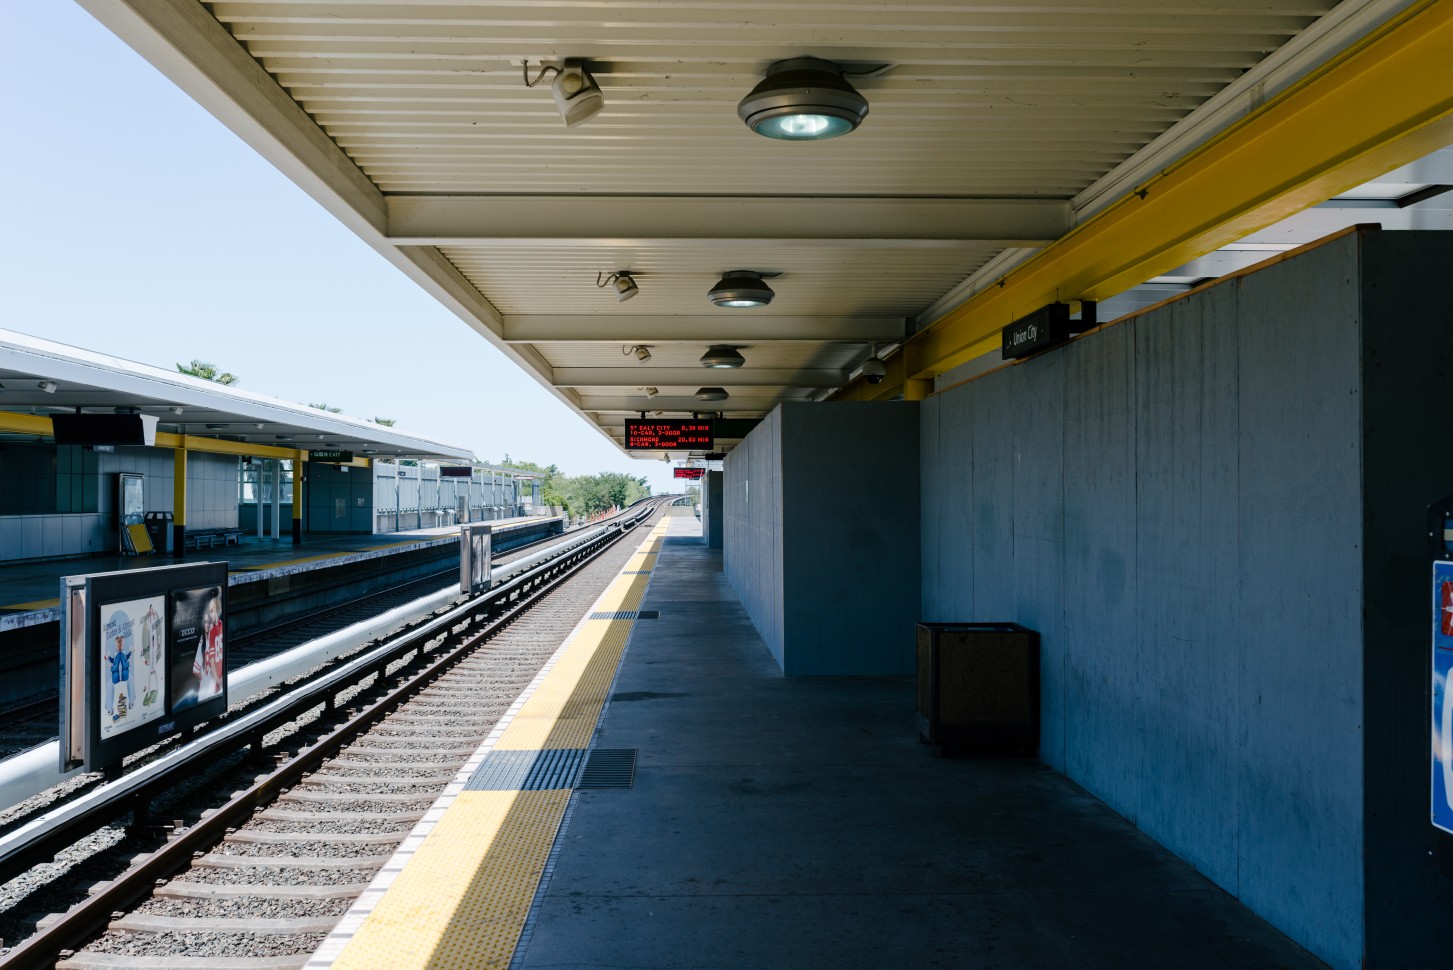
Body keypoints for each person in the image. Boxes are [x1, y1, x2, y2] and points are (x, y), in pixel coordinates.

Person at [192, 593, 224, 698]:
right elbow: (196, 670)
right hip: (208, 689)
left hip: (212, 687)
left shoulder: (211, 633)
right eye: (205, 621)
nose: (207, 623)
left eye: (212, 611)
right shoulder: (204, 640)